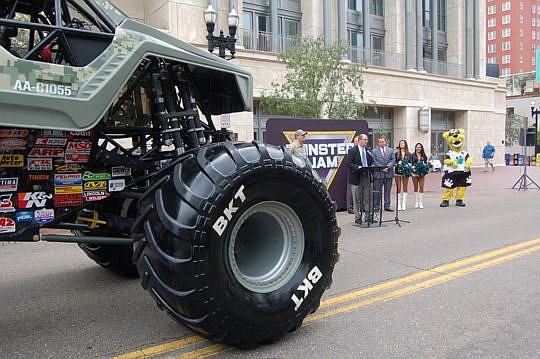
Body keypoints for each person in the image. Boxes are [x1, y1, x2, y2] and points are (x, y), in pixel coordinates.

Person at [346, 134, 374, 225]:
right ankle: (358, 218)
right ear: (360, 140)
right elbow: (348, 163)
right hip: (356, 177)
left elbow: (372, 162)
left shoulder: (368, 151)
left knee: (367, 197)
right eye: (365, 139)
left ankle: (368, 217)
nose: (367, 141)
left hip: (366, 176)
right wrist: (357, 167)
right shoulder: (353, 150)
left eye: (367, 140)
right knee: (356, 198)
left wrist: (373, 166)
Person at [371, 136, 395, 212]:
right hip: (378, 173)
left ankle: (387, 206)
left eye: (383, 141)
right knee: (377, 191)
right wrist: (382, 168)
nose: (382, 143)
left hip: (389, 173)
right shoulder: (374, 151)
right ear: (378, 143)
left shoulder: (390, 150)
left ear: (385, 142)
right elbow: (374, 161)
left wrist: (388, 167)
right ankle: (376, 206)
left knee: (387, 191)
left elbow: (393, 160)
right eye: (380, 142)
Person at [395, 139, 412, 210]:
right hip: (398, 172)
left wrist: (407, 166)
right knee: (398, 188)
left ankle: (404, 204)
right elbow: (394, 161)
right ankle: (399, 204)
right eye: (400, 143)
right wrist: (397, 164)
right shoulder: (396, 154)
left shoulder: (409, 154)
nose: (401, 144)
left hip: (405, 172)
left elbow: (410, 162)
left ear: (405, 144)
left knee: (405, 187)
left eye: (403, 143)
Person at [411, 142, 429, 209]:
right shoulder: (412, 155)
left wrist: (425, 168)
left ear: (421, 148)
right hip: (414, 173)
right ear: (415, 148)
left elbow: (426, 163)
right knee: (415, 187)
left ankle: (420, 202)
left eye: (420, 147)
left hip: (422, 173)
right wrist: (413, 168)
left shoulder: (424, 155)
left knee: (421, 187)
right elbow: (411, 163)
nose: (418, 148)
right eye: (417, 147)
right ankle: (416, 202)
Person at [346, 135, 359, 214]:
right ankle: (350, 207)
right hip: (352, 172)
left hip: (360, 173)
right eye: (356, 141)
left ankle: (359, 207)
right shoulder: (351, 150)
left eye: (358, 141)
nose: (357, 143)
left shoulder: (363, 150)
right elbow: (349, 163)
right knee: (350, 192)